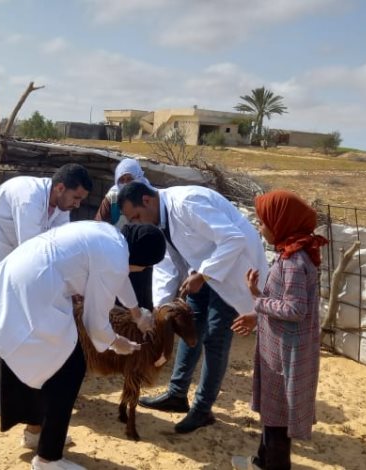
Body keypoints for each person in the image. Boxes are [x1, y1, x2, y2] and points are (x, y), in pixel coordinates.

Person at [0, 221, 166, 470]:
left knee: (34, 360)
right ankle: (48, 458)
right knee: (69, 370)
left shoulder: (110, 238)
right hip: (35, 294)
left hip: (22, 283)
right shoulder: (114, 258)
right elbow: (95, 321)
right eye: (143, 266)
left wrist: (136, 314)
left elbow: (119, 278)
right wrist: (115, 342)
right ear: (141, 259)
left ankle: (35, 432)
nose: (139, 270)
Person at [117, 181, 268, 433]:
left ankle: (202, 409)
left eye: (137, 216)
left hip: (232, 270)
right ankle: (177, 394)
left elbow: (233, 238)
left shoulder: (187, 203)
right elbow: (165, 266)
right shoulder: (158, 222)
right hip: (199, 274)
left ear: (147, 200)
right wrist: (160, 311)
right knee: (190, 329)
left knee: (215, 338)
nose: (139, 223)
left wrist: (204, 274)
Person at [0, 164, 98, 415]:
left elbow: (58, 247)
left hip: (13, 261)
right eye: (76, 198)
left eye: (81, 200)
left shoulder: (61, 208)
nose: (77, 205)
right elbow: (33, 252)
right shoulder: (27, 197)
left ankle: (25, 382)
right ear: (60, 188)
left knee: (23, 318)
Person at [230, 190, 326, 470]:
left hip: (287, 356)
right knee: (274, 418)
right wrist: (255, 310)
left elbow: (295, 310)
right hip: (281, 350)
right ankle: (260, 462)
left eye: (263, 222)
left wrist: (258, 300)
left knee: (277, 425)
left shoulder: (295, 262)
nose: (260, 228)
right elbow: (283, 303)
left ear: (280, 221)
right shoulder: (291, 254)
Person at [95, 158, 156, 311]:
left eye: (130, 179)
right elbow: (98, 228)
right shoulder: (113, 199)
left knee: (142, 304)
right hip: (116, 257)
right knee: (115, 307)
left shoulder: (150, 197)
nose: (126, 183)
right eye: (122, 180)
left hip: (143, 262)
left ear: (139, 177)